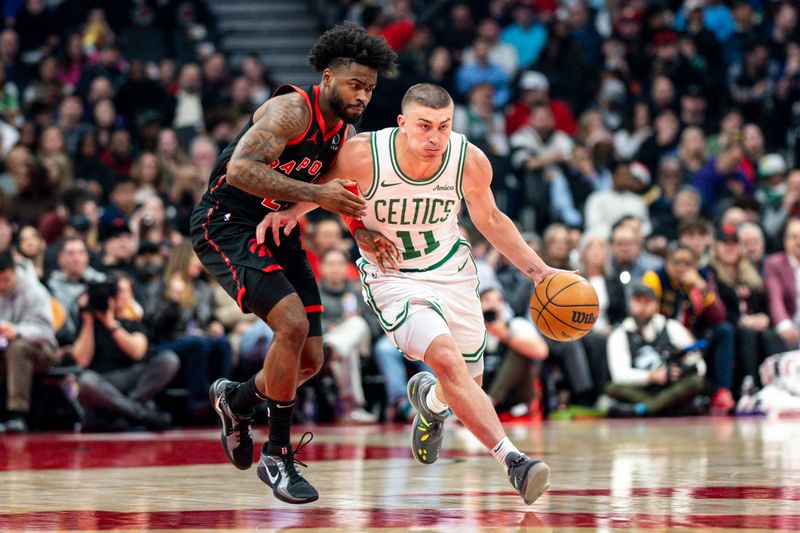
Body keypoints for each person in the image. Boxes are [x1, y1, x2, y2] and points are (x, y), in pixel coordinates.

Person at [259, 83, 572, 505]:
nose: (435, 138)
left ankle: (430, 400)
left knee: (464, 383)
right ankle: (514, 461)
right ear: (402, 123)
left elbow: (492, 219)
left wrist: (540, 271)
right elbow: (326, 193)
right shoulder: (365, 154)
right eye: (424, 126)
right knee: (445, 359)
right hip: (394, 276)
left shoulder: (468, 160)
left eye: (444, 126)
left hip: (452, 272)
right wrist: (296, 214)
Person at [188, 23, 396, 504]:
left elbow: (335, 192)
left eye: (370, 88)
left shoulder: (343, 128)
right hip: (226, 222)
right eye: (355, 85)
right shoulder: (290, 109)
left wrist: (359, 228)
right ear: (327, 77)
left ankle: (237, 401)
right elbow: (241, 170)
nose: (363, 96)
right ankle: (277, 455)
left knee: (310, 360)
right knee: (291, 325)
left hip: (276, 226)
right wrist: (315, 194)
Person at [73, 273, 178, 431]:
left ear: (131, 295)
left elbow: (137, 352)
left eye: (124, 291)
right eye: (116, 291)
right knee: (86, 381)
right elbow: (82, 360)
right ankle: (140, 414)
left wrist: (110, 323)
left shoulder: (134, 322)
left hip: (134, 380)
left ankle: (123, 411)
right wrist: (88, 320)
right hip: (103, 382)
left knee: (169, 360)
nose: (119, 296)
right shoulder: (89, 322)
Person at [605, 282, 706, 417]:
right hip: (642, 390)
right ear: (629, 303)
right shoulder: (620, 334)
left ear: (656, 304)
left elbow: (700, 366)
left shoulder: (672, 327)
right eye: (638, 301)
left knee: (695, 382)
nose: (642, 307)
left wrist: (681, 371)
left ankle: (643, 409)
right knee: (612, 387)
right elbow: (619, 375)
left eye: (647, 301)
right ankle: (668, 409)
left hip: (671, 387)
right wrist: (651, 377)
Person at [0, 249, 58, 433]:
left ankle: (17, 414)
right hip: (3, 349)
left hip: (40, 351)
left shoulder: (35, 291)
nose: (1, 285)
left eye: (5, 279)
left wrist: (16, 331)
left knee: (18, 347)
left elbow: (46, 332)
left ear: (14, 271)